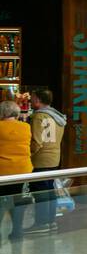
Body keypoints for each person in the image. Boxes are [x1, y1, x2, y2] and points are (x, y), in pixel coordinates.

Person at [27, 88, 66, 233]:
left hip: (41, 160)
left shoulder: (39, 117)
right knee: (50, 191)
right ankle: (50, 222)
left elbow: (36, 142)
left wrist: (27, 155)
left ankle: (41, 223)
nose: (30, 100)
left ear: (37, 100)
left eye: (32, 98)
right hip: (54, 159)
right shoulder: (57, 116)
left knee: (40, 192)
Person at [0, 100, 32, 241]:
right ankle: (17, 231)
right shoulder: (26, 127)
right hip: (22, 170)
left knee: (1, 201)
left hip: (2, 171)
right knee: (18, 200)